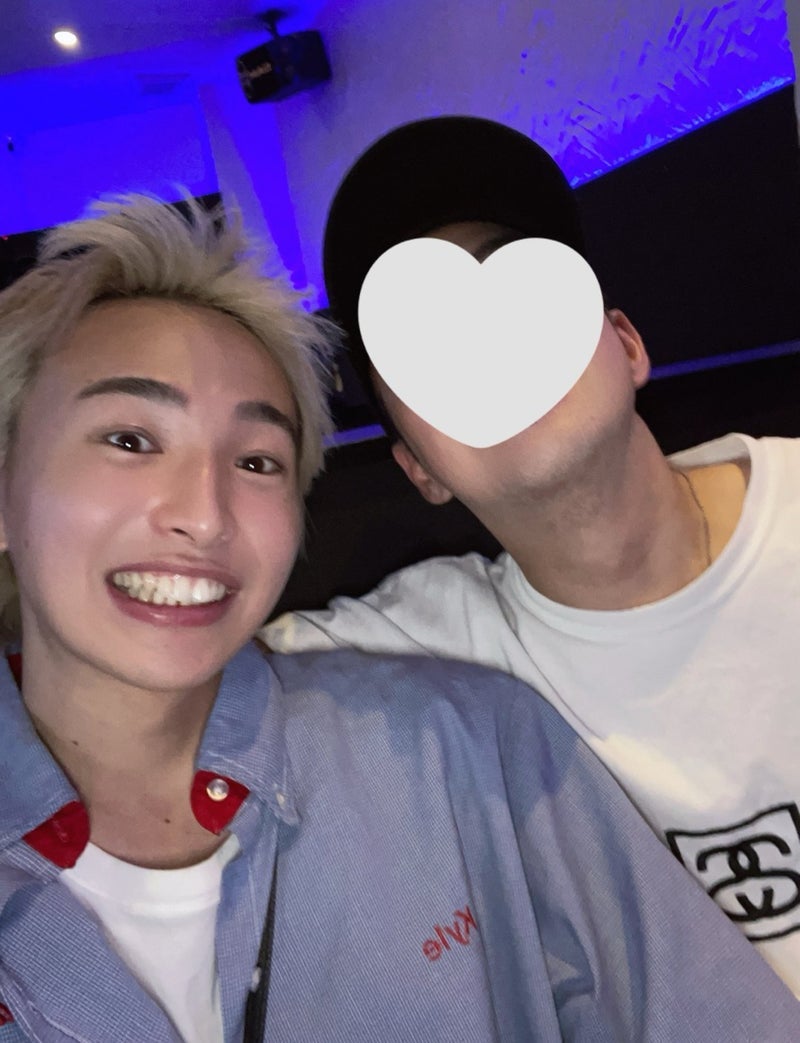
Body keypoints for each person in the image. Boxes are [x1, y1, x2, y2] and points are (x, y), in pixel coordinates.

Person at [0, 194, 796, 1043]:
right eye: (129, 439)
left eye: (257, 460)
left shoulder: (470, 739)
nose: (204, 514)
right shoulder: (425, 671)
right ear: (416, 468)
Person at [263, 115, 800, 994]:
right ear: (419, 467)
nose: (487, 341)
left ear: (626, 343)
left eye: (517, 279)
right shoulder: (414, 652)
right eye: (424, 337)